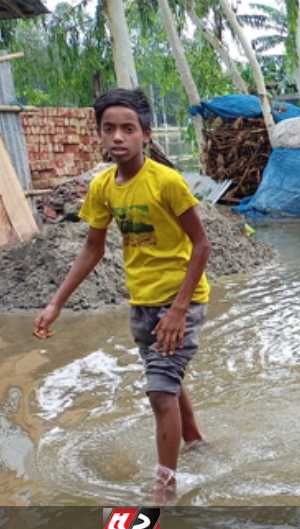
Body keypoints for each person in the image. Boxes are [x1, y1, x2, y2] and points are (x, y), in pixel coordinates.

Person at [32, 88, 210, 500]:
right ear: (98, 135)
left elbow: (202, 245)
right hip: (142, 302)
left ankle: (163, 490)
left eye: (128, 129)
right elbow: (92, 248)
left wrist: (180, 309)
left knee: (159, 391)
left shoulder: (167, 182)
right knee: (165, 374)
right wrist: (56, 303)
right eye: (109, 128)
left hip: (181, 299)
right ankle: (196, 439)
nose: (118, 137)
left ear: (145, 134)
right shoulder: (103, 187)